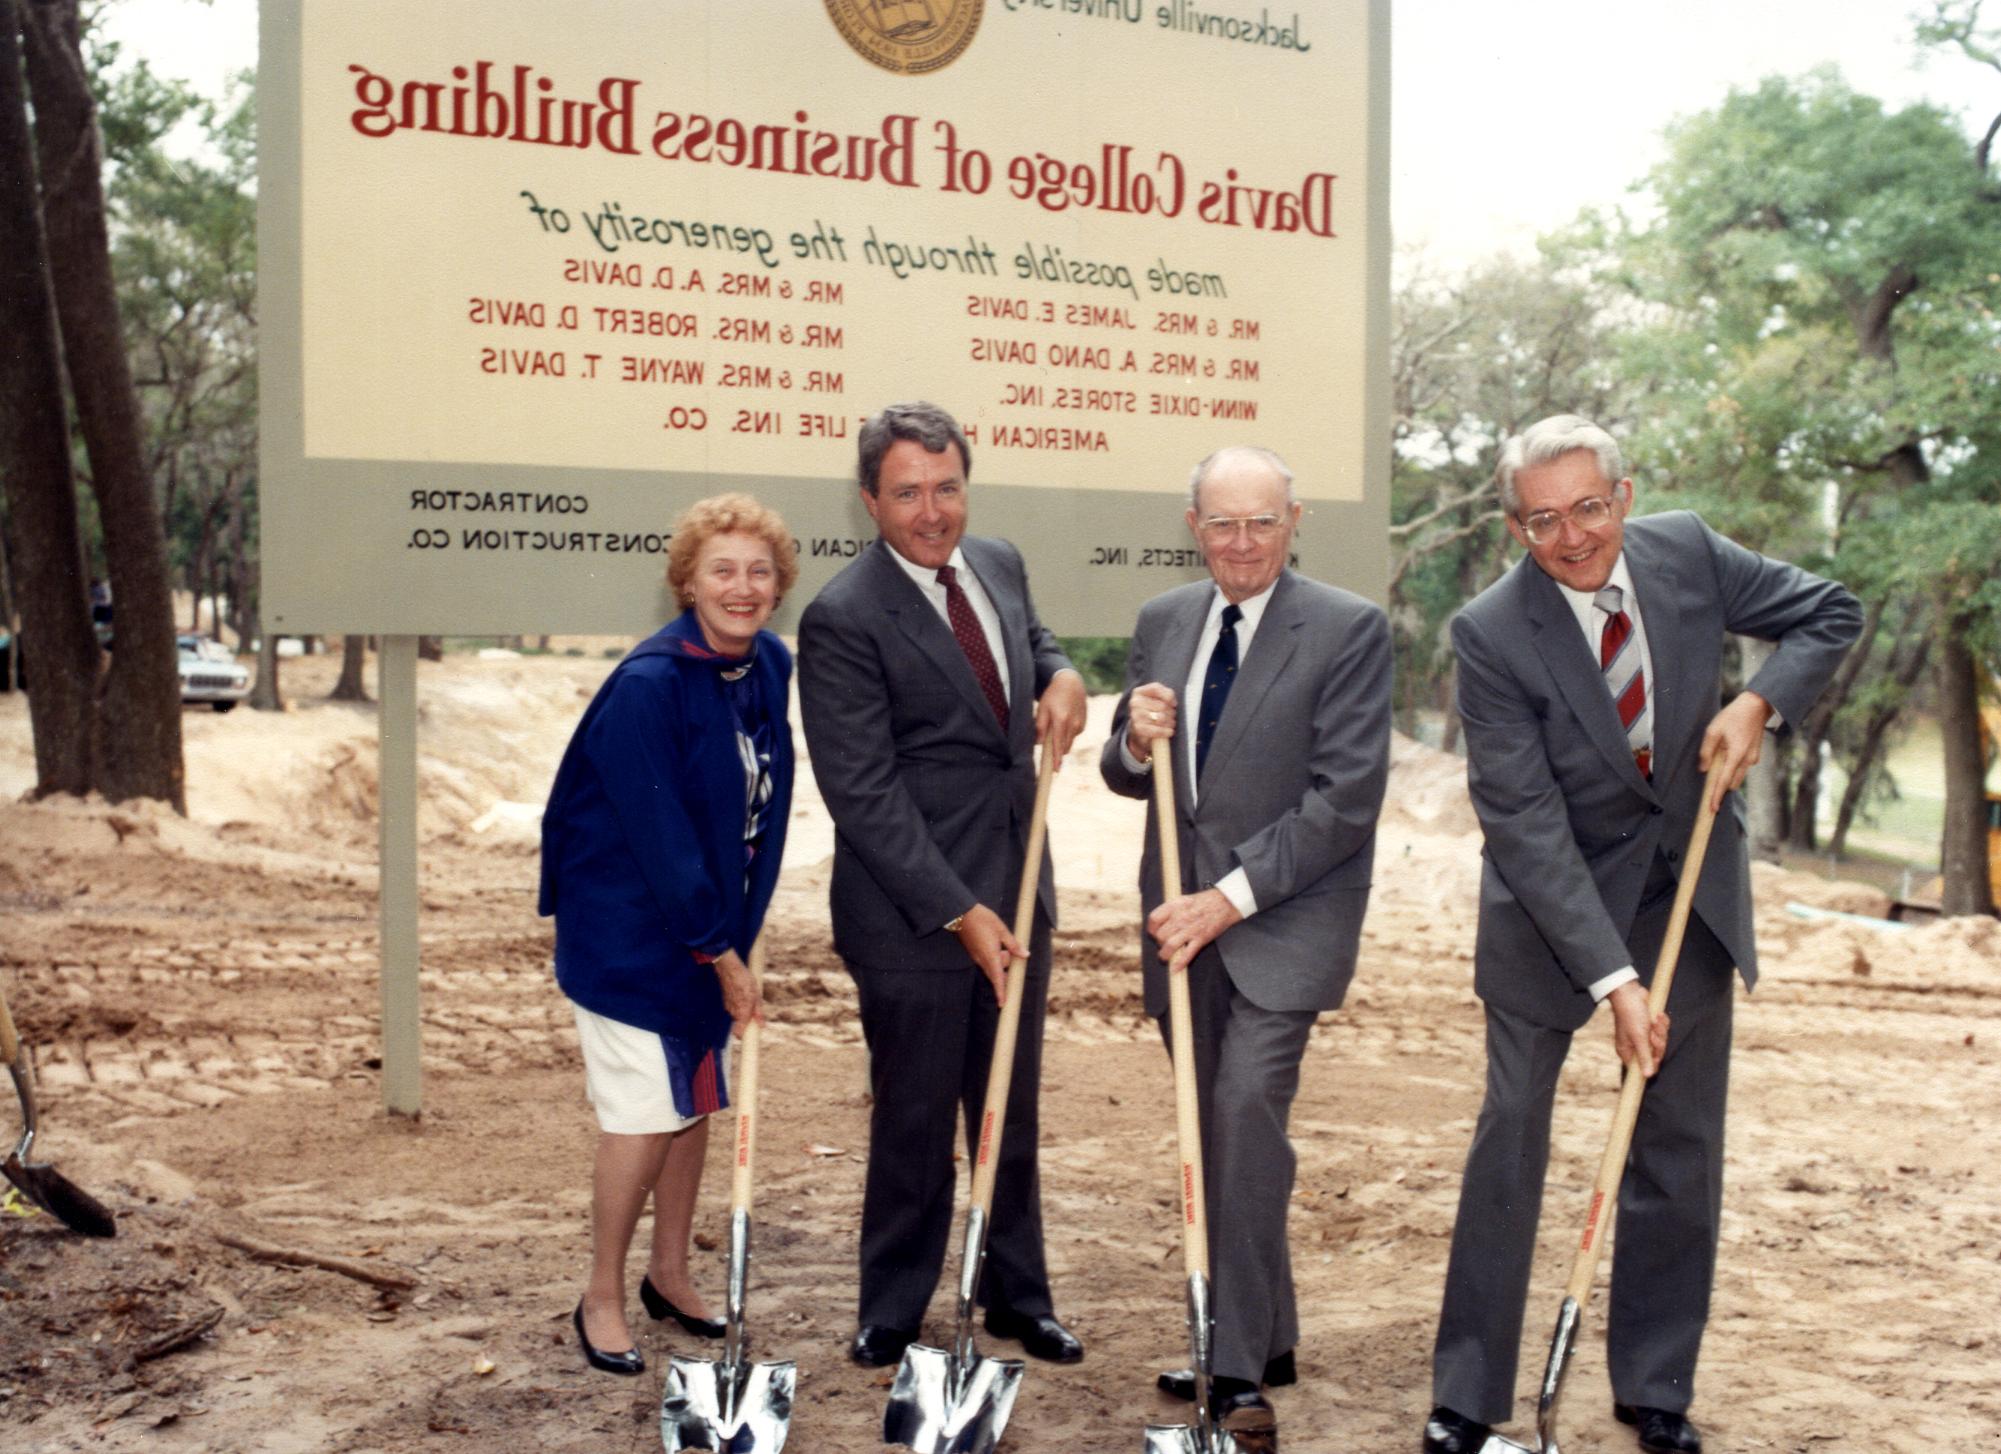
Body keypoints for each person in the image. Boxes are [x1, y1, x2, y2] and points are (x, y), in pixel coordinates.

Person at [1424, 416, 1862, 1454]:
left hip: (1686, 889)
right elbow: (1525, 825)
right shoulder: (1489, 632)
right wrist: (1615, 978)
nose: (1572, 535)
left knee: (1678, 1145)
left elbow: (1830, 615)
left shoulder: (1690, 551)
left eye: (1588, 506)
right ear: (1514, 524)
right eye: (1543, 518)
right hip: (1550, 908)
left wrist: (1759, 701)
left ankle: (1655, 1383)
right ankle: (1467, 1393)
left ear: (1622, 495)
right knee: (1511, 1138)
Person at [1100, 445, 1392, 1445]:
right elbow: (1125, 770)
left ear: (1294, 519)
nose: (1240, 543)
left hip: (1282, 914)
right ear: (1195, 525)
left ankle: (1234, 1374)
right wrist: (1133, 738)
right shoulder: (1164, 620)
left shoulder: (1350, 628)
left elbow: (1346, 797)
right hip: (1181, 926)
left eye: (1260, 522)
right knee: (1228, 1135)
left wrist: (1226, 899)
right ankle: (1270, 1334)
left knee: (1242, 1110)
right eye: (1222, 523)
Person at [797, 400, 1089, 1369]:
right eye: (909, 492)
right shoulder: (843, 616)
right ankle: (892, 1302)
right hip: (912, 909)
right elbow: (863, 792)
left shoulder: (997, 561)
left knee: (1009, 1102)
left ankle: (1019, 1295)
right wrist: (959, 910)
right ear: (872, 500)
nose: (933, 511)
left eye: (948, 487)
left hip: (1019, 877)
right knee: (917, 1112)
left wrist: (1062, 671)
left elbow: (1029, 641)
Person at [539, 493, 798, 1376]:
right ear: (687, 580)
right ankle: (600, 1294)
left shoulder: (765, 665)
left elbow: (755, 806)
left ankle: (669, 1273)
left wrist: (735, 931)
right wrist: (720, 953)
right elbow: (661, 839)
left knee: (694, 1102)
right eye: (722, 569)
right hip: (634, 935)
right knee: (645, 1116)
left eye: (759, 571)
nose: (742, 586)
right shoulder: (650, 686)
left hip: (706, 926)